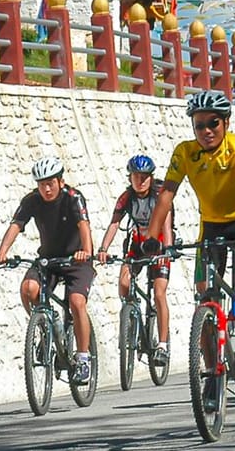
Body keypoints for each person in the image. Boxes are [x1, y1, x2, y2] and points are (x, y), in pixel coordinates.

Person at [144, 90, 235, 340]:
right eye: (199, 125)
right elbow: (166, 194)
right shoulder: (184, 152)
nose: (206, 130)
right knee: (203, 298)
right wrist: (152, 236)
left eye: (213, 123)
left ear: (226, 122)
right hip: (211, 225)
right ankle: (209, 370)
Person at [0, 156, 96, 384]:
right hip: (48, 259)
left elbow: (84, 226)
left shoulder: (73, 198)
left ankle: (83, 357)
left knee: (77, 302)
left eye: (50, 183)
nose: (46, 189)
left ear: (60, 181)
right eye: (41, 184)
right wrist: (2, 252)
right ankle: (45, 325)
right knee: (28, 289)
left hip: (76, 260)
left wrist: (86, 251)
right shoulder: (31, 201)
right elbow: (16, 225)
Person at [96, 154, 174, 365]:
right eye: (135, 176)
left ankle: (163, 345)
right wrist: (103, 248)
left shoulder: (159, 196)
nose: (140, 181)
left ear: (151, 178)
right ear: (129, 178)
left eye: (144, 176)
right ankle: (131, 312)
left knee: (159, 292)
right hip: (137, 245)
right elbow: (114, 223)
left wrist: (166, 251)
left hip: (158, 245)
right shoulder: (126, 198)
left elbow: (167, 226)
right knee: (124, 282)